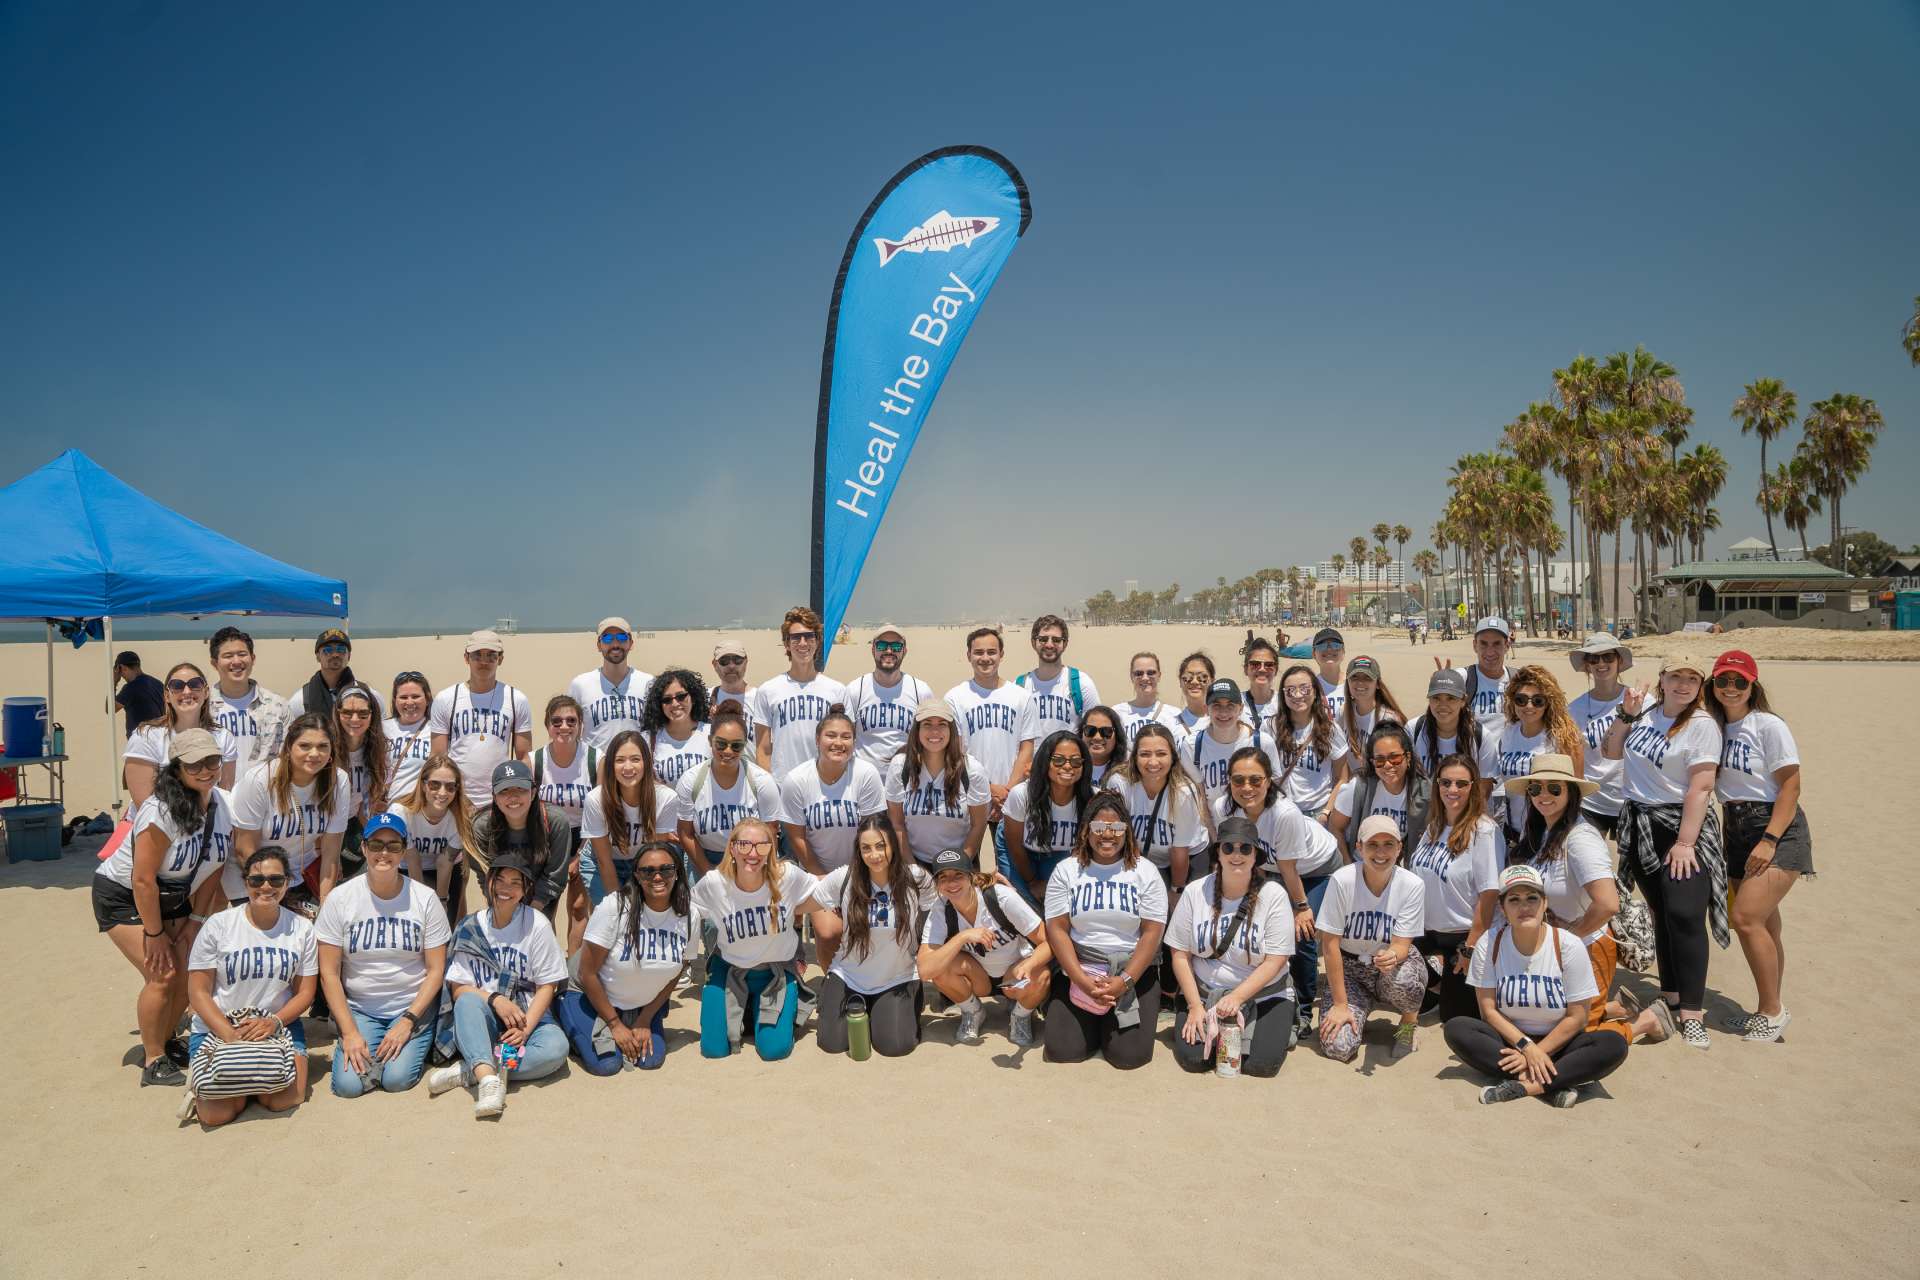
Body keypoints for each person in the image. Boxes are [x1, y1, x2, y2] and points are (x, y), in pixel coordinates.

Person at [93, 729, 235, 1086]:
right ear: (176, 768)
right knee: (163, 973)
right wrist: (155, 935)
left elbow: (212, 869)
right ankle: (153, 1058)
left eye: (212, 761)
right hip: (125, 894)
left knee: (190, 969)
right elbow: (142, 879)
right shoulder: (160, 809)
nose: (206, 770)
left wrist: (197, 921)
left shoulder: (224, 805)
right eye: (194, 764)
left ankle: (167, 1039)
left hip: (174, 896)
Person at [1604, 654, 1726, 1051]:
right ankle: (1671, 995)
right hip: (1640, 825)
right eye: (1676, 676)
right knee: (1661, 912)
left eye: (1692, 679)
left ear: (1700, 685)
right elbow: (1610, 751)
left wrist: (1686, 842)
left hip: (1680, 827)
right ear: (1662, 679)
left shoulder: (1702, 726)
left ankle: (1693, 1011)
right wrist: (1626, 714)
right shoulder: (1648, 713)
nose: (1683, 685)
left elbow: (1701, 787)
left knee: (1685, 914)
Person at [1506, 753, 1661, 1044]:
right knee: (1541, 1027)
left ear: (1571, 792)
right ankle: (1612, 1008)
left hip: (1587, 949)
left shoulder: (1581, 839)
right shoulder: (1543, 831)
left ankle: (1644, 1022)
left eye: (1554, 788)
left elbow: (1607, 904)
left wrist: (1569, 939)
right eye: (1535, 788)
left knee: (1574, 1044)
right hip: (1554, 951)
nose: (1543, 795)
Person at [1443, 864, 1629, 1106]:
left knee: (1613, 1044)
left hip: (1561, 1043)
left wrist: (1541, 1051)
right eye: (1514, 900)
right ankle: (1556, 1082)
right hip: (1511, 1041)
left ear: (1544, 903)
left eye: (1532, 898)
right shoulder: (1489, 944)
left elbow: (1578, 1017)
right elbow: (1488, 1011)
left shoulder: (1569, 945)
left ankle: (1526, 1085)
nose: (1524, 907)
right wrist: (1526, 1047)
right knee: (1457, 1028)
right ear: (1503, 907)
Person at [1708, 650, 1811, 1042]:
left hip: (1774, 826)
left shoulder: (1767, 725)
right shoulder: (1715, 726)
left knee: (1746, 919)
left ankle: (1772, 1011)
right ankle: (1766, 1007)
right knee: (1765, 923)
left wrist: (1769, 839)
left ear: (1753, 685)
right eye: (1723, 680)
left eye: (1739, 681)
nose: (1731, 688)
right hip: (1733, 827)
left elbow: (1791, 785)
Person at [314, 812, 451, 1097]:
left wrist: (408, 1021)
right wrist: (350, 1032)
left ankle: (413, 1041)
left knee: (396, 1080)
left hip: (412, 1007)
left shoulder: (424, 898)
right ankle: (369, 1042)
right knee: (348, 1086)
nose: (384, 853)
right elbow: (328, 973)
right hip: (362, 1008)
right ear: (364, 848)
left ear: (404, 850)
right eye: (376, 845)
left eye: (393, 845)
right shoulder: (341, 898)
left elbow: (436, 970)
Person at [423, 854, 569, 1117]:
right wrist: (494, 999)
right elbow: (458, 987)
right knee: (468, 1001)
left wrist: (525, 1030)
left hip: (526, 1012)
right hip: (485, 1018)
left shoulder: (537, 924)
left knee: (556, 1049)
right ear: (489, 883)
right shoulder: (470, 926)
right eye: (499, 879)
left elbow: (548, 984)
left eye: (515, 883)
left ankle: (474, 1069)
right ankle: (490, 1082)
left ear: (525, 890)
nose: (505, 888)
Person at [180, 845, 316, 1125]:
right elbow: (198, 991)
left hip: (277, 1025)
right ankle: (235, 1087)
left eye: (276, 880)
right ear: (245, 883)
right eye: (257, 880)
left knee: (284, 1099)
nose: (266, 886)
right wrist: (230, 1035)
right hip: (220, 1027)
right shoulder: (219, 925)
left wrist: (274, 1023)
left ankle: (246, 1083)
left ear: (288, 883)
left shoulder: (302, 929)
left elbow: (306, 993)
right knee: (216, 1115)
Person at [691, 818, 841, 1060]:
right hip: (729, 969)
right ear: (732, 848)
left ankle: (765, 1008)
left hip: (774, 973)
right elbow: (686, 912)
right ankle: (748, 1009)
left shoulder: (787, 877)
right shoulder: (714, 883)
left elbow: (821, 890)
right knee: (714, 1049)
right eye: (745, 845)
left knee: (774, 1050)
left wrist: (855, 875)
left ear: (771, 849)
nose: (753, 853)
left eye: (762, 845)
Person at [1042, 793, 1170, 1069]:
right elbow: (1058, 929)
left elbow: (1151, 933)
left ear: (1127, 831)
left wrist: (1124, 980)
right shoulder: (1066, 870)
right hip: (1079, 970)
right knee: (1063, 1051)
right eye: (1099, 828)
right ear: (1087, 830)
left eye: (1116, 828)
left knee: (1129, 1058)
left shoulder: (1145, 871)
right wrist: (1083, 981)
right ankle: (1086, 1017)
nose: (1108, 835)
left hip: (1131, 972)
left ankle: (1107, 1023)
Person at [1168, 814, 1296, 1077]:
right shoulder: (1195, 892)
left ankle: (1281, 1022)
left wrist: (1236, 998)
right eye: (1228, 847)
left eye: (1245, 848)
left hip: (1264, 995)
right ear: (1218, 853)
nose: (1236, 854)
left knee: (1261, 1066)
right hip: (1204, 993)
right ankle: (1212, 1023)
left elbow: (1276, 960)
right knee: (1193, 1060)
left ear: (1255, 855)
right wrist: (1194, 1006)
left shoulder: (1273, 895)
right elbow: (1179, 954)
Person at [557, 839, 696, 1074]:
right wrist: (615, 1025)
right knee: (607, 1064)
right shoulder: (615, 907)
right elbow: (586, 973)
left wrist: (645, 1018)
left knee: (650, 1060)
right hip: (587, 994)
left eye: (666, 869)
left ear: (677, 872)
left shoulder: (689, 913)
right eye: (647, 871)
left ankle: (633, 1020)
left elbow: (678, 970)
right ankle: (565, 1014)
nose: (658, 877)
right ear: (637, 875)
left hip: (642, 1005)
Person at [809, 816, 938, 1057]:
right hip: (849, 975)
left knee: (895, 1046)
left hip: (896, 977)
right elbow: (803, 900)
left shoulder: (916, 878)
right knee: (832, 1044)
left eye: (881, 846)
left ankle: (889, 1009)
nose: (874, 854)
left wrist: (987, 884)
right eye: (866, 848)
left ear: (893, 845)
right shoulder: (844, 878)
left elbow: (940, 910)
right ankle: (860, 1005)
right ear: (858, 850)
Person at [1315, 814, 1428, 1063]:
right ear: (1359, 848)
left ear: (1400, 847)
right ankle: (1357, 1008)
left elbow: (1401, 945)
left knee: (1407, 980)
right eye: (1372, 845)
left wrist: (1392, 956)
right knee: (1339, 1047)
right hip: (1349, 969)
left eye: (1389, 844)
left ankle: (1408, 1024)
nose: (1381, 852)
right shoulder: (1342, 880)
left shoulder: (1412, 884)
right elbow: (1330, 945)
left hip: (1388, 966)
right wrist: (1341, 1005)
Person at [1404, 754, 1505, 1021]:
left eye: (1461, 783)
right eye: (1446, 782)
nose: (1452, 790)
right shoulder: (1435, 826)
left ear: (1474, 786)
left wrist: (1470, 949)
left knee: (1454, 1019)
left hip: (1464, 935)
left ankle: (1451, 982)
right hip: (1429, 933)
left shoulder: (1484, 831)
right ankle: (1438, 983)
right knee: (1386, 956)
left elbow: (1489, 896)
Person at [919, 847, 1052, 1046]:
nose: (951, 883)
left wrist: (1030, 964)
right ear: (937, 884)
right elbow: (925, 969)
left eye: (958, 875)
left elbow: (1049, 941)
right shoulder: (942, 908)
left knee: (1041, 975)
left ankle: (1020, 1016)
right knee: (940, 967)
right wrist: (962, 937)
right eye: (943, 877)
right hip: (978, 977)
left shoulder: (1000, 897)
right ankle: (973, 1011)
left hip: (1013, 976)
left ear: (971, 876)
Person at [230, 713, 352, 910]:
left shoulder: (338, 781)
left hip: (302, 876)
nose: (314, 754)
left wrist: (325, 907)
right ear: (288, 748)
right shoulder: (259, 780)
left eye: (322, 746)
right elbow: (244, 849)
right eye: (305, 746)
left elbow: (331, 852)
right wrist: (272, 893)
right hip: (254, 878)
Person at [943, 626, 1037, 831]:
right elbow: (955, 751)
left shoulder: (1021, 697)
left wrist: (1008, 791)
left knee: (1009, 860)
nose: (985, 658)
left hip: (1010, 797)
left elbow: (1027, 748)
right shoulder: (954, 697)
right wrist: (987, 789)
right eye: (978, 652)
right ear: (968, 655)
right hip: (968, 793)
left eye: (991, 652)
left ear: (1001, 655)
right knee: (966, 860)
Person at [430, 629, 533, 810]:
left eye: (491, 655)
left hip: (501, 798)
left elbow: (524, 757)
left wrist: (523, 795)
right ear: (466, 658)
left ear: (500, 659)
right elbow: (438, 757)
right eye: (477, 655)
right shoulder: (446, 699)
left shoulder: (516, 699)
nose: (484, 661)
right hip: (457, 798)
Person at [675, 706, 783, 875]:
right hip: (705, 857)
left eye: (736, 746)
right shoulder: (691, 780)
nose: (727, 751)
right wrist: (708, 871)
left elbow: (771, 832)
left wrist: (757, 872)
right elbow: (685, 833)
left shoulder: (761, 782)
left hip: (751, 857)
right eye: (721, 743)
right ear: (710, 740)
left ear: (745, 745)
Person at [780, 706, 887, 874]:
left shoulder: (866, 773)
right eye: (830, 736)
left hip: (861, 871)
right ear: (817, 739)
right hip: (813, 873)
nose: (838, 743)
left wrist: (858, 876)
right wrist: (821, 878)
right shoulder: (796, 780)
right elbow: (797, 837)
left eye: (846, 737)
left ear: (854, 741)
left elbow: (872, 833)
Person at [1103, 722, 1208, 895]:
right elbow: (1118, 835)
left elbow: (1179, 850)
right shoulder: (1120, 783)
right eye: (1144, 754)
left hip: (1188, 856)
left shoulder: (1183, 792)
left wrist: (1176, 890)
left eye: (1161, 754)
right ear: (1134, 757)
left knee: (1184, 906)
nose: (1153, 762)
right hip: (1143, 856)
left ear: (1173, 757)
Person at [885, 700, 989, 866]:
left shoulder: (972, 770)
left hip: (959, 863)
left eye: (942, 724)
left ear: (951, 730)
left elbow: (978, 825)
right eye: (927, 724)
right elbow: (897, 824)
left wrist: (955, 870)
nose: (935, 731)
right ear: (917, 730)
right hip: (913, 862)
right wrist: (914, 871)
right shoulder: (901, 766)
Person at [469, 760, 572, 924]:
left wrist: (531, 912)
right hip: (501, 890)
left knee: (536, 933)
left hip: (541, 890)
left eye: (520, 789)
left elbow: (555, 875)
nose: (513, 797)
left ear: (532, 793)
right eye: (504, 791)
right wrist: (500, 906)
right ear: (494, 798)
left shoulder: (555, 822)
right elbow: (484, 873)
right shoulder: (481, 827)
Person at [752, 605, 848, 780]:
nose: (803, 643)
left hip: (824, 786)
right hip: (783, 787)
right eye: (795, 638)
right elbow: (763, 749)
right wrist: (768, 788)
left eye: (809, 636)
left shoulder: (837, 690)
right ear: (787, 644)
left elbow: (846, 745)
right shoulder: (768, 690)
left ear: (817, 641)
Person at [123, 661, 239, 804]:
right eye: (177, 686)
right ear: (166, 696)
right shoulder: (146, 736)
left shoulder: (223, 737)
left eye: (195, 684)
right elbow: (144, 804)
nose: (187, 691)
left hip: (207, 822)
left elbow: (224, 796)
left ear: (206, 692)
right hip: (158, 822)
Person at [582, 731, 678, 901]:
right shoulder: (596, 799)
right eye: (620, 760)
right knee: (612, 916)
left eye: (635, 759)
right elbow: (605, 862)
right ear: (611, 765)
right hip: (601, 863)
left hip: (642, 864)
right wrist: (618, 906)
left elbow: (654, 855)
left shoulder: (666, 798)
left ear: (646, 763)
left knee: (642, 913)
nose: (627, 767)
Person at [1492, 665, 1585, 840]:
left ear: (1548, 702)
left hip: (1548, 832)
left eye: (1537, 701)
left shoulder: (1563, 738)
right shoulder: (1509, 732)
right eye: (1521, 699)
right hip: (1513, 830)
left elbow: (1576, 791)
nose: (1529, 706)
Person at [1002, 729, 1093, 908]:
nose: (1067, 766)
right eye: (1058, 760)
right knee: (1019, 904)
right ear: (1045, 762)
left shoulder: (1092, 798)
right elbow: (1014, 844)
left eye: (1076, 761)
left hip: (1061, 855)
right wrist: (1032, 881)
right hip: (1021, 850)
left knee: (1061, 904)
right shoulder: (1021, 794)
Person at [391, 755, 474, 923]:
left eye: (450, 787)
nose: (442, 793)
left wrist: (442, 901)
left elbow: (445, 862)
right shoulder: (401, 813)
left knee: (444, 925)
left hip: (445, 871)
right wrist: (422, 903)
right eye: (435, 785)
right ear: (423, 785)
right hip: (407, 869)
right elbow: (413, 860)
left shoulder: (460, 816)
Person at [1567, 634, 1631, 836]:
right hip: (1591, 802)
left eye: (1608, 657)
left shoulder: (1640, 701)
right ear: (1587, 665)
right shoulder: (1574, 709)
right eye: (1594, 658)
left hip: (1631, 800)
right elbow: (1572, 756)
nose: (1601, 663)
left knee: (1632, 867)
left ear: (1619, 661)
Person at [842, 623, 932, 769]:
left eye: (896, 646)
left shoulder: (920, 691)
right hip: (865, 783)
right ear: (873, 650)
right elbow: (844, 737)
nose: (889, 651)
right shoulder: (855, 690)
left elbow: (930, 738)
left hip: (907, 781)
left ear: (905, 651)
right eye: (882, 645)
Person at [1329, 722, 1429, 852]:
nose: (1387, 765)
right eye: (1380, 760)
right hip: (1359, 861)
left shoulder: (1424, 792)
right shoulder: (1357, 788)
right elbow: (1335, 827)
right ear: (1372, 762)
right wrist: (1348, 863)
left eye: (1394, 758)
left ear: (1408, 757)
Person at [207, 626, 292, 773]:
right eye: (228, 656)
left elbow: (289, 757)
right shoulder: (203, 707)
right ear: (215, 663)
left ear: (253, 659)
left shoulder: (278, 706)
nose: (237, 661)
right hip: (217, 794)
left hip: (264, 793)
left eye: (242, 654)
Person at [1275, 664, 1350, 819]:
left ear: (1315, 692)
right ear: (1283, 695)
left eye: (1305, 688)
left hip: (1318, 812)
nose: (1297, 695)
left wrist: (1326, 812)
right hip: (1282, 811)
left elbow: (1342, 778)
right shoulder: (1271, 727)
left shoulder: (1330, 729)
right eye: (1290, 690)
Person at [568, 616, 653, 751]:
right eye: (607, 638)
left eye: (621, 638)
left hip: (637, 766)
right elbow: (572, 730)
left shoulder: (648, 683)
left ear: (631, 643)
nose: (615, 644)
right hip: (596, 767)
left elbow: (656, 730)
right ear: (599, 645)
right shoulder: (580, 684)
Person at [1408, 667, 1499, 792]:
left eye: (1451, 698)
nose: (1443, 705)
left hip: (1466, 810)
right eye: (1436, 698)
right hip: (1423, 810)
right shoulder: (1413, 729)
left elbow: (1484, 786)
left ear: (1463, 700)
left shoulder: (1480, 735)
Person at [1015, 614, 1102, 744]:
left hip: (1069, 763)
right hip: (1032, 763)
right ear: (1034, 643)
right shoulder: (1019, 686)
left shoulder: (1081, 683)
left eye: (1056, 640)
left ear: (1065, 644)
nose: (1049, 645)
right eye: (1043, 639)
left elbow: (1095, 730)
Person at [331, 682, 389, 870]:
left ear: (372, 716)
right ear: (337, 713)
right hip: (325, 831)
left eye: (363, 714)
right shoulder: (326, 747)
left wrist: (368, 833)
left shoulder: (376, 749)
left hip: (353, 827)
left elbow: (362, 800)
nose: (354, 719)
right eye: (347, 713)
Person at [1183, 677, 1259, 813]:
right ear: (1206, 709)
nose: (1224, 712)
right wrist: (1212, 831)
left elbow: (1271, 793)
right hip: (1215, 827)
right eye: (1216, 705)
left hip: (1254, 828)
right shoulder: (1192, 745)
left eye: (1230, 705)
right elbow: (1200, 799)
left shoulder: (1260, 742)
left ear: (1241, 708)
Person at [635, 667, 711, 791]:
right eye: (667, 700)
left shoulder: (711, 733)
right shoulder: (648, 739)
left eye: (681, 696)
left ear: (693, 697)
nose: (675, 704)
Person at [287, 628, 383, 720]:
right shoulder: (301, 700)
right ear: (318, 657)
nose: (335, 654)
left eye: (341, 650)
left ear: (349, 656)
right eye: (327, 650)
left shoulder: (370, 696)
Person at [1337, 655, 1406, 772]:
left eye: (1367, 678)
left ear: (1378, 684)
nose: (1360, 683)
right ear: (1347, 682)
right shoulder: (1343, 712)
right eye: (1354, 677)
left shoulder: (1389, 718)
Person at [384, 672, 436, 805]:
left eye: (415, 696)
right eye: (403, 697)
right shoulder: (382, 728)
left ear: (427, 698)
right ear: (395, 700)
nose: (410, 702)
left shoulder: (438, 730)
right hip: (389, 810)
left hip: (423, 809)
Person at [1455, 616, 1514, 736]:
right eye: (1483, 644)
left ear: (1507, 645)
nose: (1490, 652)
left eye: (1497, 644)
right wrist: (1443, 685)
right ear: (1475, 645)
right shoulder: (1464, 678)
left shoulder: (1518, 680)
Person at [1114, 651, 1183, 743]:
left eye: (1151, 672)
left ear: (1159, 676)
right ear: (1131, 677)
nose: (1145, 678)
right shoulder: (1117, 713)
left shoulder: (1174, 715)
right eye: (1138, 673)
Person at [707, 637, 757, 741]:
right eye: (724, 661)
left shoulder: (760, 698)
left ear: (746, 662)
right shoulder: (706, 698)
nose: (731, 666)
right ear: (715, 665)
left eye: (737, 660)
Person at [113, 650, 166, 739]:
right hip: (160, 738)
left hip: (141, 741)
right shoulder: (158, 683)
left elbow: (110, 709)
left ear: (121, 668)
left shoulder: (131, 688)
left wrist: (113, 682)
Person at [1238, 636, 1283, 740]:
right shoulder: (1236, 703)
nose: (1262, 669)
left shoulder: (1284, 703)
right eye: (1255, 664)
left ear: (1276, 670)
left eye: (1269, 665)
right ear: (1246, 669)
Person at [1078, 705, 1127, 786]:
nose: (1097, 737)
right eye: (1090, 730)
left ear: (1117, 735)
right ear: (1082, 732)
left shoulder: (1127, 773)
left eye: (1106, 731)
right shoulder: (1071, 770)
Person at [1173, 651, 1216, 734]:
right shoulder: (1171, 725)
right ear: (1180, 681)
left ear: (1212, 681)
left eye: (1202, 677)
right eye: (1188, 677)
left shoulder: (1224, 720)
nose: (1194, 682)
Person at [1310, 628, 1347, 720]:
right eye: (1322, 646)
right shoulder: (1310, 687)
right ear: (1314, 654)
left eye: (1336, 645)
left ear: (1343, 652)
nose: (1329, 649)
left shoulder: (1355, 684)